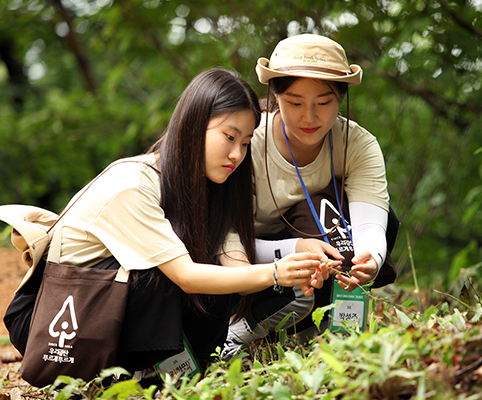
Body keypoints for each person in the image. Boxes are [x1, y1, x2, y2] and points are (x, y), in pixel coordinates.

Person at [2, 68, 335, 379]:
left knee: (221, 283)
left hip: (108, 306)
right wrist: (274, 272)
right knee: (160, 277)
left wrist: (291, 271)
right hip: (54, 316)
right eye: (229, 137)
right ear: (193, 125)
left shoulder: (210, 191)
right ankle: (146, 370)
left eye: (246, 143)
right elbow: (186, 277)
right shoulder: (132, 184)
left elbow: (238, 269)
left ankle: (172, 369)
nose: (237, 154)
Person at [222, 34, 396, 358]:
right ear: (275, 97)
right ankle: (239, 329)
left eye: (324, 102)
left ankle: (330, 328)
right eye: (295, 102)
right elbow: (223, 240)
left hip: (315, 247)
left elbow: (372, 220)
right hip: (245, 258)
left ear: (341, 98)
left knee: (369, 220)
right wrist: (295, 249)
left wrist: (370, 258)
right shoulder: (245, 145)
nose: (310, 117)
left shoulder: (358, 144)